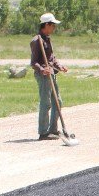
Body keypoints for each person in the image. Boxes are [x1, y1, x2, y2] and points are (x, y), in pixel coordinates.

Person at [30, 12, 68, 140]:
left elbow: (52, 58)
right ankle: (43, 132)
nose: (54, 28)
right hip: (44, 76)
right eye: (53, 25)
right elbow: (33, 62)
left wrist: (59, 66)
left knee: (58, 101)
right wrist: (42, 69)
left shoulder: (47, 38)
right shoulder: (37, 41)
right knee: (46, 104)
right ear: (46, 25)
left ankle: (53, 129)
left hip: (52, 74)